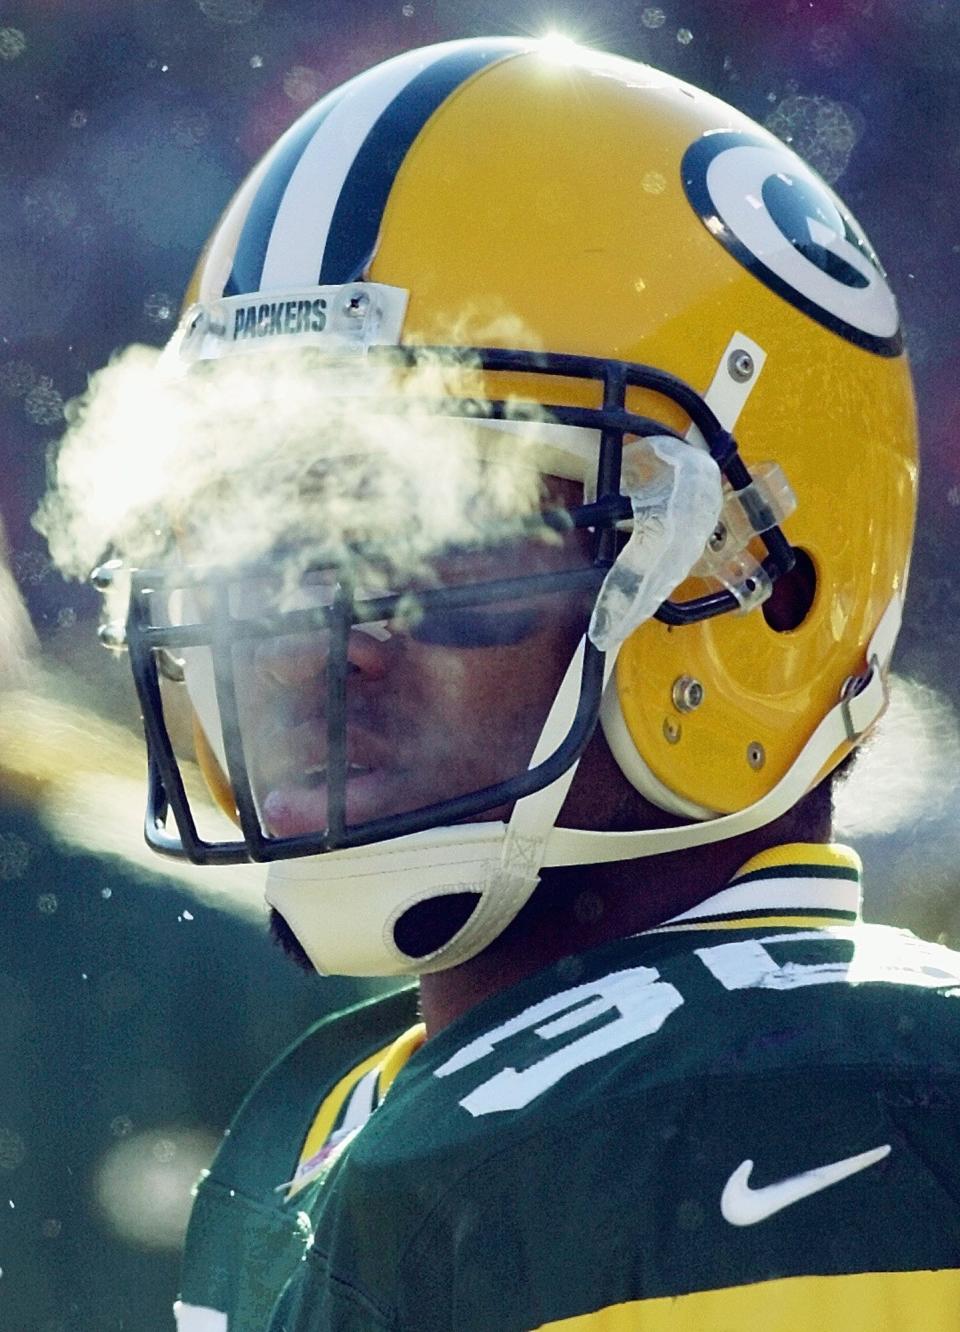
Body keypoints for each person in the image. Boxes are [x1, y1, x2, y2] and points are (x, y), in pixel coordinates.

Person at [69, 35, 960, 1331]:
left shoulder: (803, 1112)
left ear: (762, 590)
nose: (318, 636)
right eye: (263, 532)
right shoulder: (348, 1112)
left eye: (438, 530)